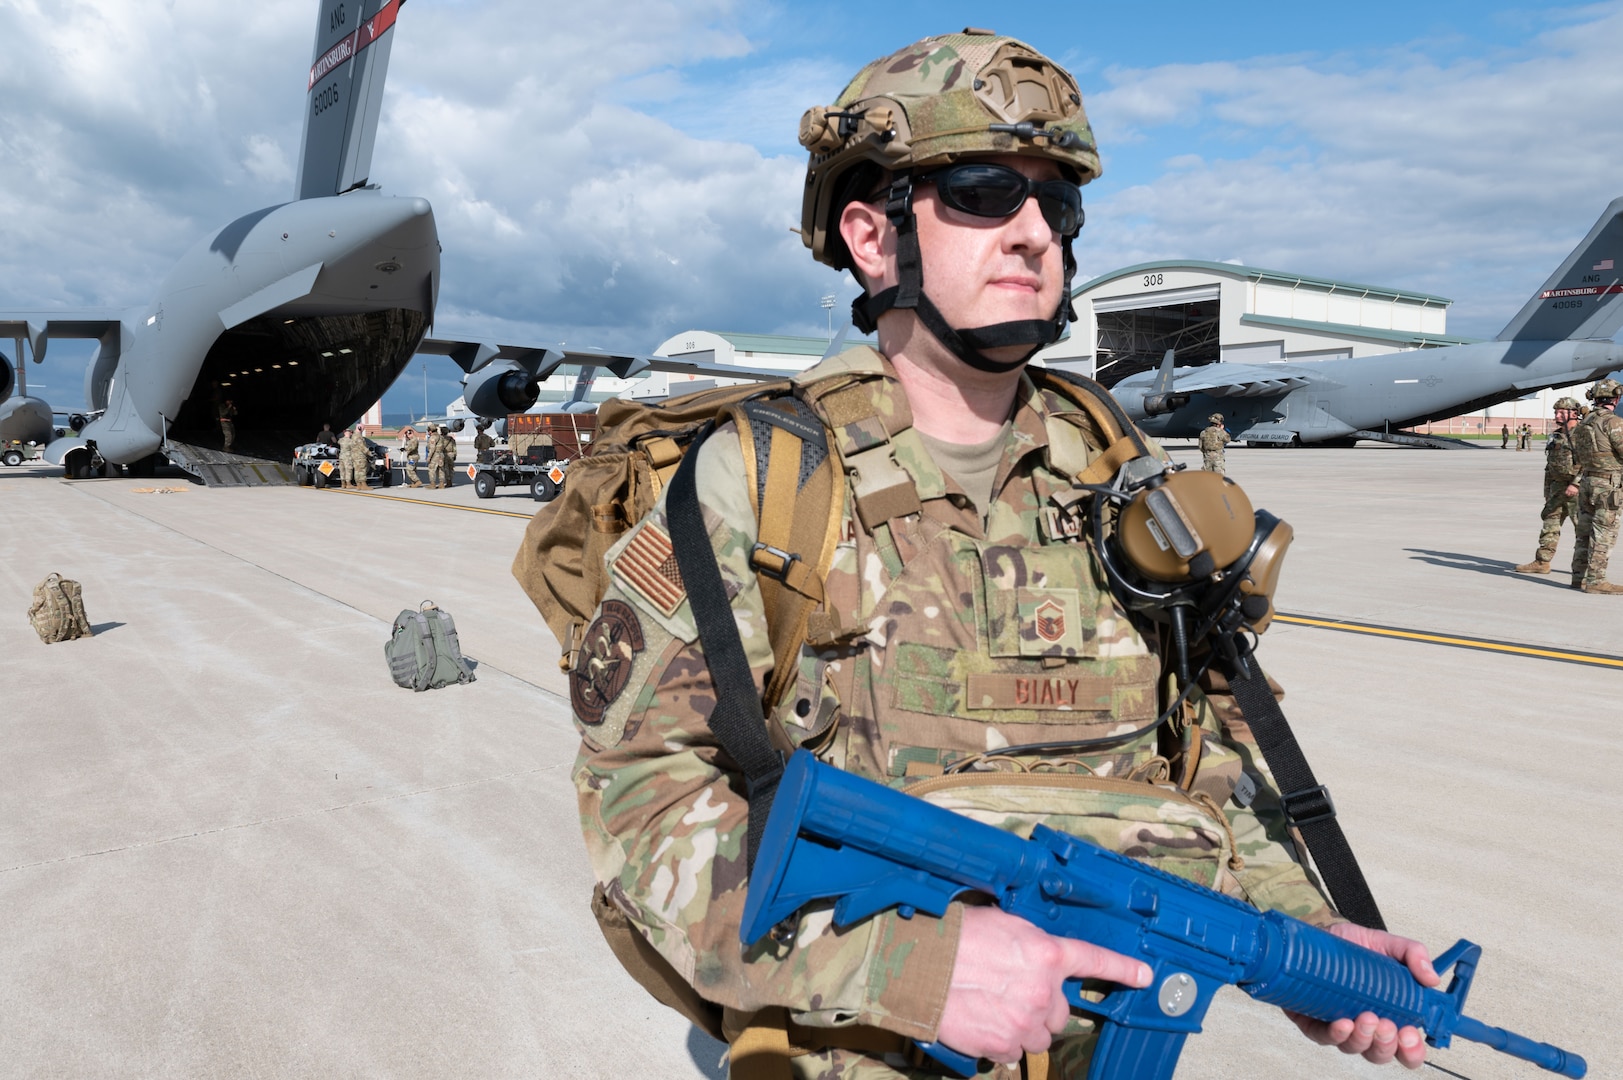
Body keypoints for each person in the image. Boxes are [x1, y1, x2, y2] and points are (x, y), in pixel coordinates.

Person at [570, 31, 1434, 1079]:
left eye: (1055, 204)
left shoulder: (1122, 476)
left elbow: (1206, 750)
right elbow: (644, 801)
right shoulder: (762, 484)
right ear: (873, 238)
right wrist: (911, 969)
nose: (1034, 233)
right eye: (982, 193)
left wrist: (1307, 939)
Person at [1515, 397, 1583, 575]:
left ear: (1574, 413)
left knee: (1583, 530)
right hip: (1557, 488)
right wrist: (1547, 490)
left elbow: (1589, 463)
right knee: (1549, 525)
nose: (1557, 415)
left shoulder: (1583, 434)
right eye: (1556, 412)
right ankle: (1542, 562)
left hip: (1577, 491)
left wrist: (1576, 484)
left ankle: (1585, 568)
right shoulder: (1556, 434)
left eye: (1561, 412)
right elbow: (1550, 465)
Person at [1568, 378, 1623, 594]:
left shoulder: (1583, 424)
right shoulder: (1613, 423)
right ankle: (1596, 580)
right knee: (1604, 532)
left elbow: (1578, 456)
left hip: (1587, 481)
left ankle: (1578, 576)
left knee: (1584, 531)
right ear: (1615, 398)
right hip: (1607, 485)